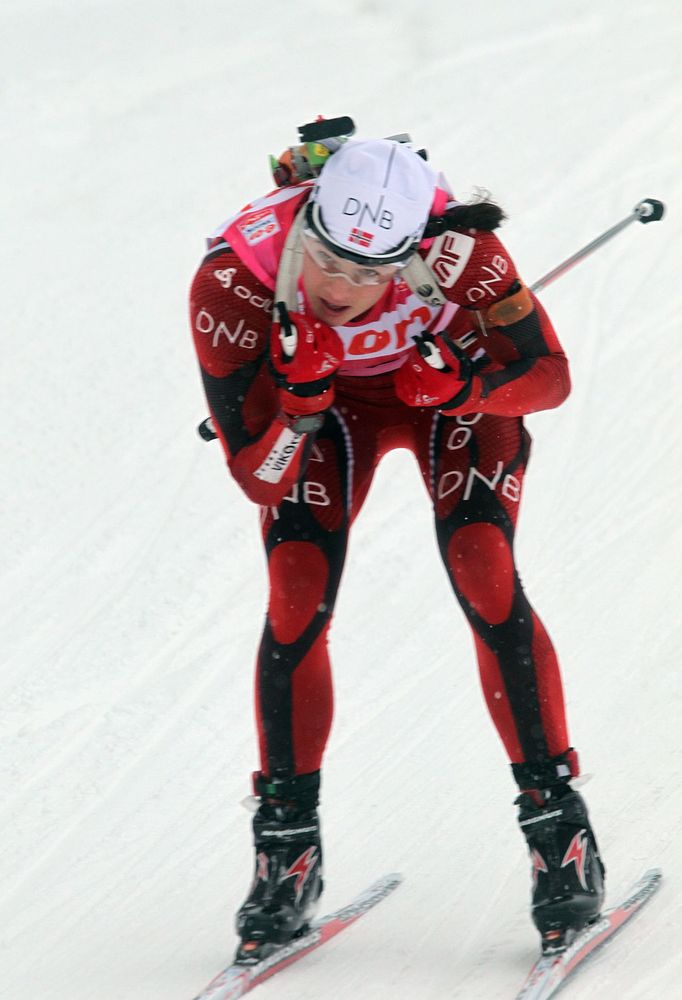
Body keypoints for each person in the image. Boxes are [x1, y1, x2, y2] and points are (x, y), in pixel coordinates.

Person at [188, 123, 605, 962]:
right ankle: (287, 853)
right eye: (330, 260)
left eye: (372, 272)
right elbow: (257, 477)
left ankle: (560, 834)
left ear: (413, 249)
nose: (342, 288)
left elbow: (550, 379)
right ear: (305, 220)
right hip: (329, 414)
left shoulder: (463, 254)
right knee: (294, 591)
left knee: (485, 574)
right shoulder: (235, 277)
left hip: (443, 403)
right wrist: (302, 407)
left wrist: (469, 386)